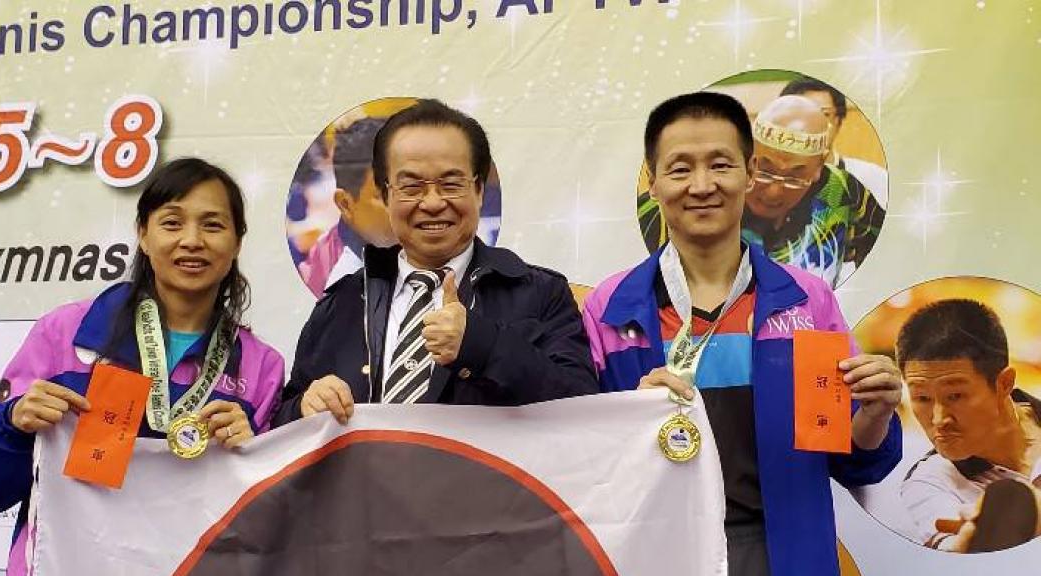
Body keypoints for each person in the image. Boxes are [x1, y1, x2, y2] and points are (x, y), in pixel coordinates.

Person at [583, 92, 902, 576]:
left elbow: (855, 459)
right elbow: (586, 463)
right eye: (680, 168)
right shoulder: (611, 309)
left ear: (749, 172)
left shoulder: (807, 301)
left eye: (721, 164)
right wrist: (627, 420)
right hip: (659, 567)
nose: (702, 185)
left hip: (783, 568)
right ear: (653, 181)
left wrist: (876, 412)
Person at [0, 158, 286, 576]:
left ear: (236, 242)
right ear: (142, 233)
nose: (191, 240)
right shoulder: (68, 334)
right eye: (172, 222)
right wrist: (13, 423)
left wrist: (252, 448)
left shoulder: (260, 367)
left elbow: (267, 527)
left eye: (212, 225)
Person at [276, 99, 596, 425]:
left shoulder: (540, 294)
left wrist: (482, 345)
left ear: (480, 190)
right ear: (386, 196)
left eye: (451, 184)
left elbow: (583, 410)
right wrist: (303, 407)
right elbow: (282, 425)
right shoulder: (340, 305)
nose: (432, 203)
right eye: (411, 186)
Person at [638, 94, 885, 288]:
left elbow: (886, 258)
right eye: (764, 171)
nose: (774, 193)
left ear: (819, 168)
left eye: (795, 177)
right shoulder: (681, 203)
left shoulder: (841, 192)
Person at [895, 298, 1041, 551]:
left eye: (955, 396)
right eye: (922, 398)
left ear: (1004, 383)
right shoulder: (928, 482)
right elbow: (955, 550)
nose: (939, 419)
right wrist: (974, 537)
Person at [297, 116, 400, 298]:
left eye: (410, 187)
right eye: (383, 195)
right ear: (345, 204)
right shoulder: (324, 278)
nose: (406, 205)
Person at [779, 77, 889, 208]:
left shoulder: (872, 179)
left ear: (838, 121)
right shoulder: (765, 183)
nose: (812, 124)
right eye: (800, 114)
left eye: (824, 114)